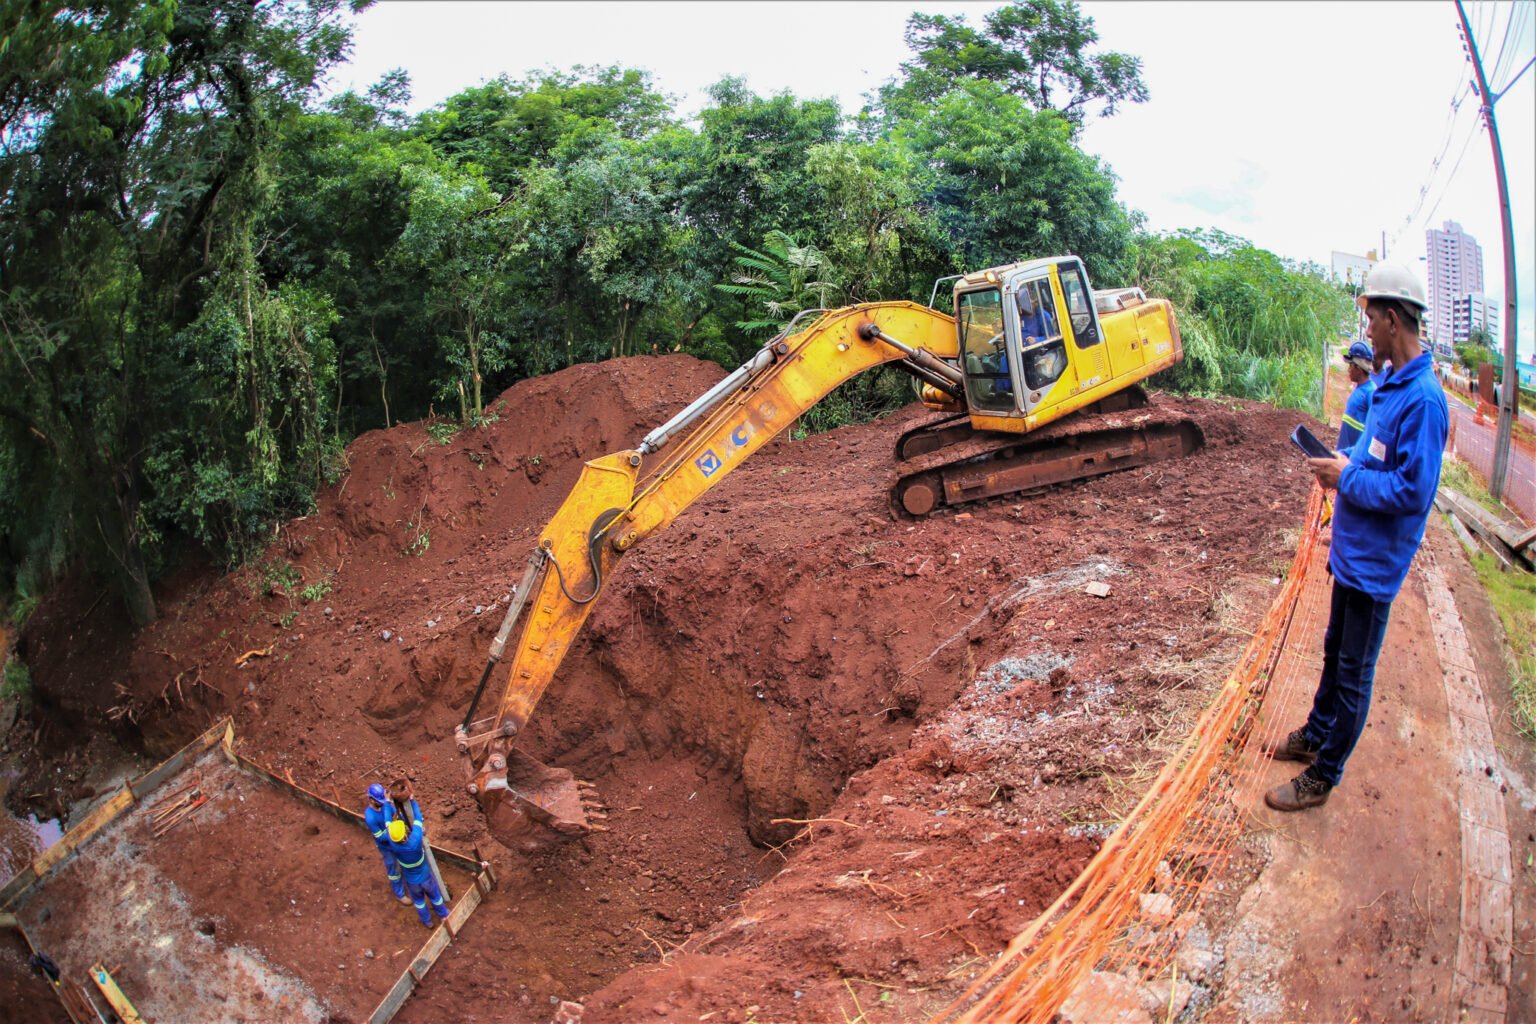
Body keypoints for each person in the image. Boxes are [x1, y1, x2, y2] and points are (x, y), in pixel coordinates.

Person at [1266, 263, 1448, 812]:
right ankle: (1316, 734)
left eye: (1371, 319)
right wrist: (1343, 462)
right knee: (1332, 652)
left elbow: (1412, 493)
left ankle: (1325, 774)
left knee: (1353, 673)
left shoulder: (1424, 402)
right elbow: (1372, 459)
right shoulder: (1389, 386)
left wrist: (1347, 477)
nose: (1366, 331)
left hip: (1375, 566)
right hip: (1352, 553)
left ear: (1393, 319)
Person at [387, 815, 451, 928]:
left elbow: (387, 824)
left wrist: (387, 805)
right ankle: (444, 915)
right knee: (435, 897)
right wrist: (411, 800)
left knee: (419, 902)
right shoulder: (415, 841)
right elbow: (417, 818)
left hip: (412, 882)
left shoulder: (393, 845)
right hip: (426, 878)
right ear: (406, 835)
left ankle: (427, 921)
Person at [364, 783, 410, 905]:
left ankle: (409, 884)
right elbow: (380, 837)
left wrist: (403, 825)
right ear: (371, 800)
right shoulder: (370, 817)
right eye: (379, 801)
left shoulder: (385, 805)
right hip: (386, 847)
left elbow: (396, 815)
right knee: (393, 870)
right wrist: (393, 831)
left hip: (396, 840)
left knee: (405, 863)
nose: (382, 803)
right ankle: (399, 895)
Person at [1337, 340, 1376, 450]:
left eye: (1351, 366)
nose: (1349, 370)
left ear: (1358, 368)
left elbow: (1372, 432)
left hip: (1353, 459)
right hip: (1344, 456)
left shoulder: (1371, 392)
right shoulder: (1359, 389)